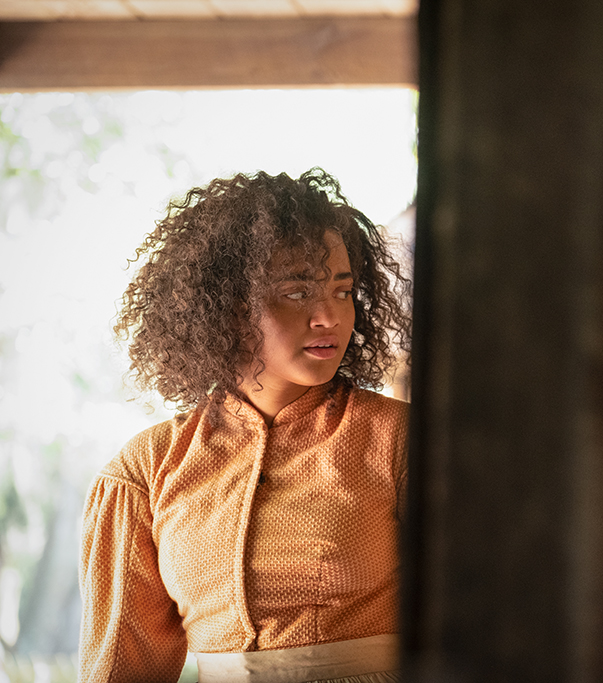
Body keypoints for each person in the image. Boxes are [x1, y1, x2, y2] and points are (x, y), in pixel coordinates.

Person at [78, 168, 411, 683]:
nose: (329, 316)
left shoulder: (401, 439)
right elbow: (122, 669)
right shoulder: (144, 471)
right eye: (297, 293)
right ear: (226, 307)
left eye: (343, 292)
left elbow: (486, 619)